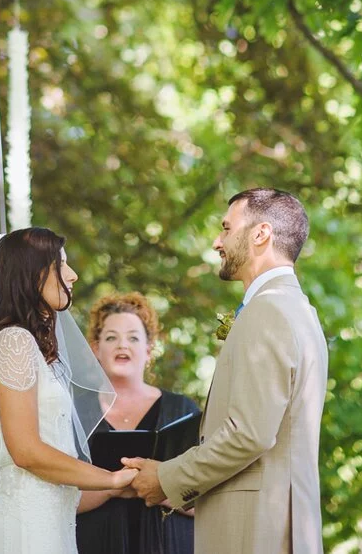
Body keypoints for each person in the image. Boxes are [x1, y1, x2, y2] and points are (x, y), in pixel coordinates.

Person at [124, 188, 328, 554]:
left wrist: (168, 478)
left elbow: (249, 434)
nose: (218, 241)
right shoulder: (299, 311)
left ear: (260, 234)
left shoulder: (268, 311)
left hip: (254, 530)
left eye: (226, 228)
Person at [0, 228, 138, 554]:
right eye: (61, 264)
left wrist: (114, 487)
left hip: (50, 527)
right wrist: (108, 479)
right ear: (32, 274)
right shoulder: (13, 341)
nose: (73, 275)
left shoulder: (33, 349)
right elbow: (25, 452)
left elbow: (52, 486)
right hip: (26, 533)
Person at [76, 292, 201, 554]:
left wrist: (161, 487)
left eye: (133, 337)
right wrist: (112, 486)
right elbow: (54, 495)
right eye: (111, 337)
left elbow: (206, 499)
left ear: (148, 349)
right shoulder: (74, 410)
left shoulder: (183, 410)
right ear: (95, 348)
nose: (123, 345)